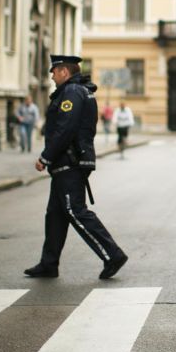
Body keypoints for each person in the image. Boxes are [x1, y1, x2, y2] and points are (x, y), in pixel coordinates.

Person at [25, 54, 128, 280]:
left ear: (64, 71)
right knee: (55, 215)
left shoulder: (72, 92)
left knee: (75, 211)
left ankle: (113, 255)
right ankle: (48, 263)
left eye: (54, 71)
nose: (51, 76)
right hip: (70, 161)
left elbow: (65, 128)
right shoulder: (79, 90)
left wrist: (46, 157)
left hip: (68, 162)